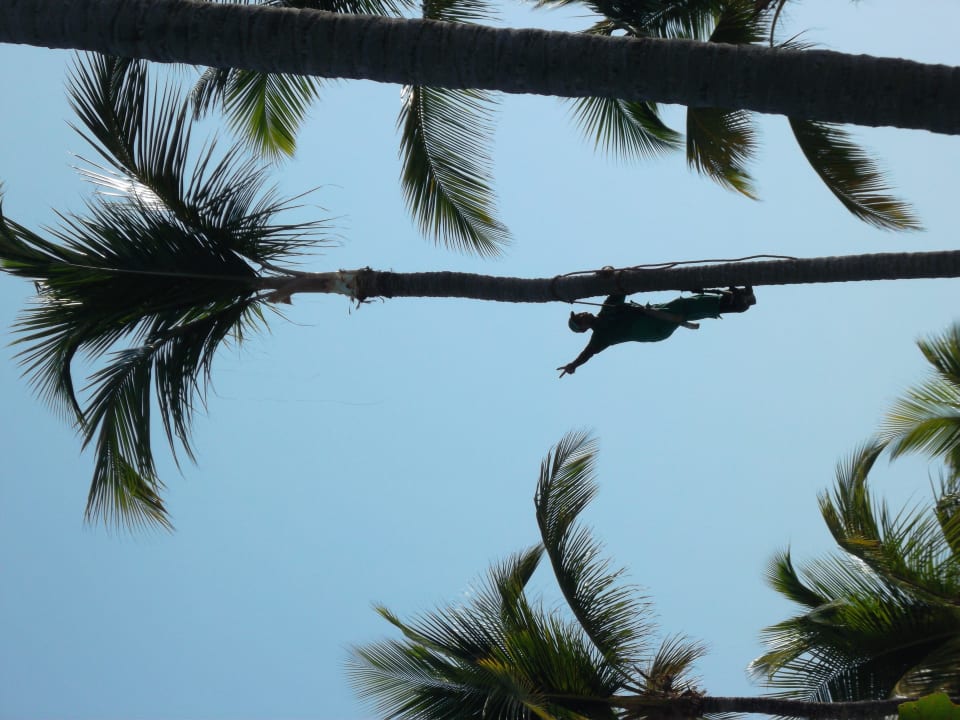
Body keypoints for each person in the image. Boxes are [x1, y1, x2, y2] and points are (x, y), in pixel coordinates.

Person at [557, 287, 756, 377]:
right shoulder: (600, 336)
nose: (582, 314)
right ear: (583, 329)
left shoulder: (608, 307)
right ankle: (738, 304)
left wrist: (610, 276)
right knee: (681, 307)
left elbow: (619, 290)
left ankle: (737, 300)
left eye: (579, 314)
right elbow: (587, 353)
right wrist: (574, 364)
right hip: (649, 328)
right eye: (579, 320)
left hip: (652, 317)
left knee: (684, 305)